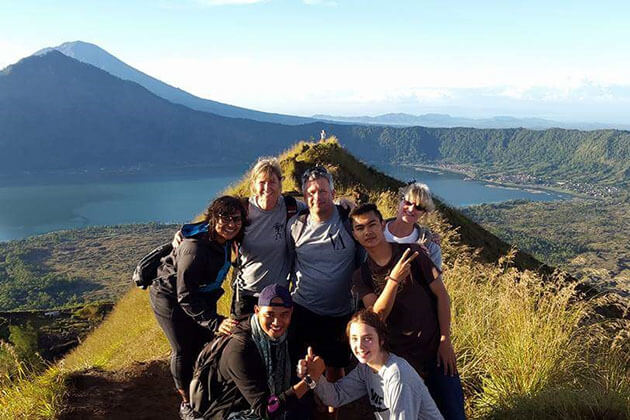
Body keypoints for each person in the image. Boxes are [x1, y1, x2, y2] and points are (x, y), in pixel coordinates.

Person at [349, 203, 466, 420]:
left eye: (372, 224)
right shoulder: (361, 276)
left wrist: (445, 340)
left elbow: (442, 295)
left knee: (454, 413)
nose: (368, 232)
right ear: (354, 235)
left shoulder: (413, 254)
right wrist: (393, 280)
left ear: (383, 225)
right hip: (400, 362)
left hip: (435, 351)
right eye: (360, 228)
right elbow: (377, 317)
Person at [150, 195, 247, 417]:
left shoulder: (226, 239)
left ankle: (204, 391)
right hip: (170, 297)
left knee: (204, 343)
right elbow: (184, 295)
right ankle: (187, 403)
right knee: (183, 348)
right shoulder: (195, 249)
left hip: (200, 295)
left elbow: (261, 201)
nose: (231, 224)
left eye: (236, 218)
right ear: (213, 218)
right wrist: (215, 322)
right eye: (225, 218)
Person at [287, 166, 363, 389]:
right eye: (310, 192)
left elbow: (377, 231)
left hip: (340, 312)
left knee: (335, 368)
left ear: (333, 192)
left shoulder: (349, 222)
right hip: (303, 309)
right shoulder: (296, 226)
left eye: (322, 191)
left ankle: (332, 412)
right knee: (300, 366)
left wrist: (423, 234)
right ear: (304, 196)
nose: (316, 197)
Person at [297, 309, 443, 420]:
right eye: (354, 339)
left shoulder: (397, 375)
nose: (359, 346)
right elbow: (335, 397)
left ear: (382, 340)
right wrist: (312, 377)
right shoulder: (366, 368)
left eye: (367, 338)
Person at [198, 284, 317, 419]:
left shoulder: (287, 336)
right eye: (269, 315)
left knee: (305, 407)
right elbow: (266, 410)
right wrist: (308, 381)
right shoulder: (239, 349)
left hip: (263, 402)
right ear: (257, 311)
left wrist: (301, 371)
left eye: (284, 314)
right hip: (233, 412)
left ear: (291, 312)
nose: (277, 322)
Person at [385, 183, 442, 269]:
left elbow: (435, 281)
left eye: (418, 207)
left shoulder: (431, 247)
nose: (411, 209)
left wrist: (424, 262)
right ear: (400, 201)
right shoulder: (372, 231)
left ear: (423, 213)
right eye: (408, 202)